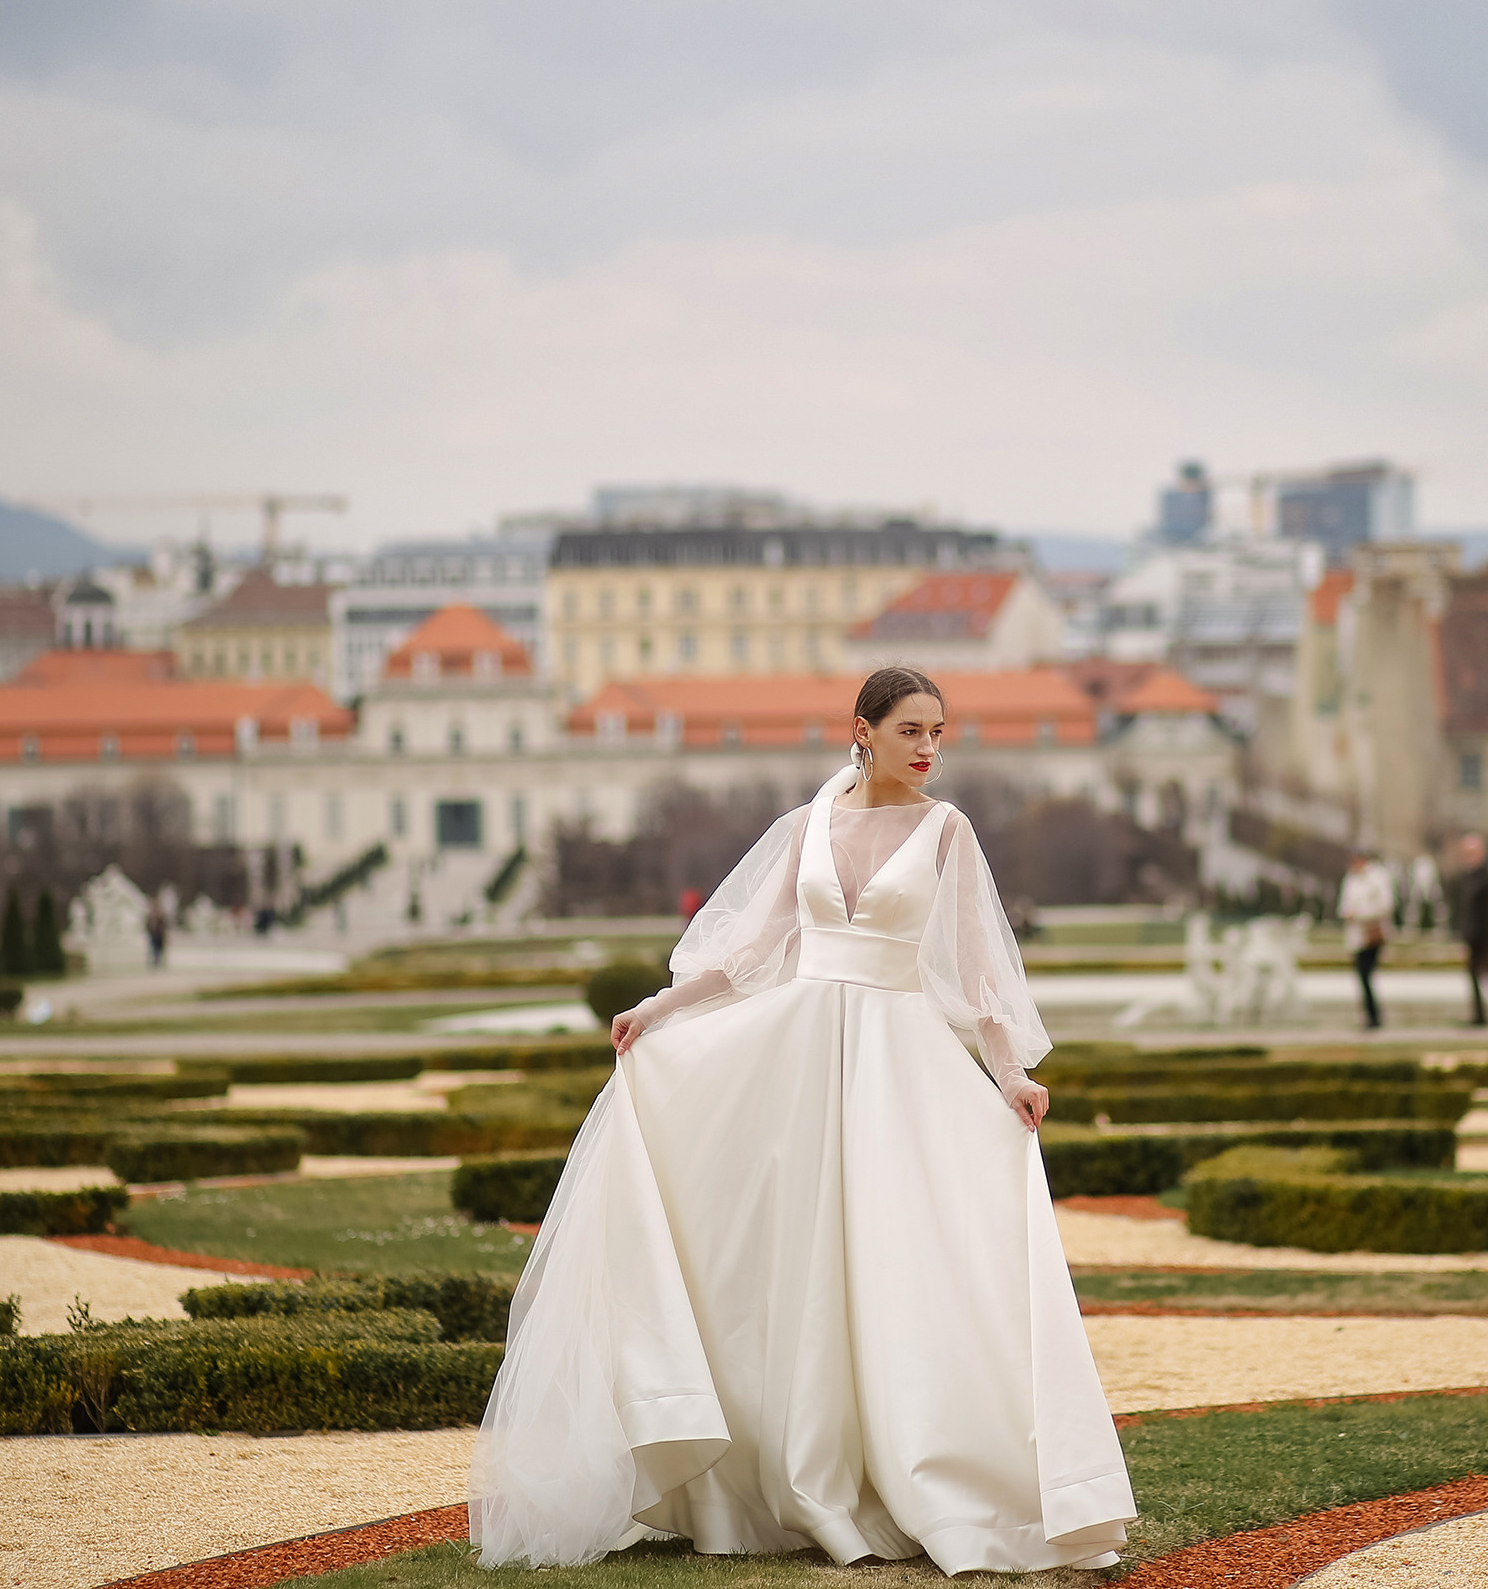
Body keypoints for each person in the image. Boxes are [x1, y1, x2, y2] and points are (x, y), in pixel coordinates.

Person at [469, 667, 1134, 1574]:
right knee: (792, 1263)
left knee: (904, 1258)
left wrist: (1010, 1073)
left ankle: (923, 1463)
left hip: (898, 1065)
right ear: (862, 731)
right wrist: (658, 1011)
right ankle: (776, 1469)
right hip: (801, 1053)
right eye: (910, 730)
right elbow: (749, 950)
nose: (930, 748)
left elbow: (981, 976)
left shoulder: (948, 831)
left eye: (938, 731)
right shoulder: (808, 824)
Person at [1444, 833, 1488, 1027]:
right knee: (1474, 976)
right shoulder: (1466, 877)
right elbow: (1462, 909)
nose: (1468, 857)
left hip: (1486, 936)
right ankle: (1480, 1014)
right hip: (1472, 936)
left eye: (1472, 852)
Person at [1337, 850, 1395, 1031]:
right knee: (1362, 976)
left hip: (1371, 934)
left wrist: (1360, 914)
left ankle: (1374, 1016)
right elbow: (1344, 904)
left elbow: (1386, 905)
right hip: (1356, 936)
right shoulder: (1351, 879)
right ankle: (1370, 1015)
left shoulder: (1377, 877)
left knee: (1365, 974)